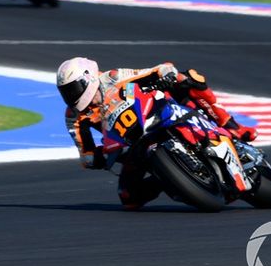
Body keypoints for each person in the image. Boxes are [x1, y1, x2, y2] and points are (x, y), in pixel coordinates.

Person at [56, 57, 257, 209]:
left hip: (158, 113)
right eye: (66, 91)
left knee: (190, 78)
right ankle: (169, 178)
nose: (71, 96)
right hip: (130, 146)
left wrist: (166, 73)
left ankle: (232, 126)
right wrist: (101, 157)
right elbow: (86, 154)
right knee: (128, 198)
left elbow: (152, 71)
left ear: (89, 77)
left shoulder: (113, 77)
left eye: (74, 89)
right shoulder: (73, 116)